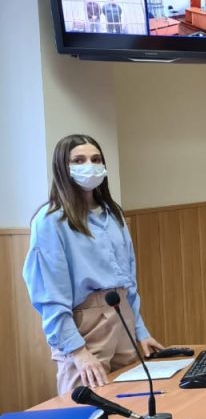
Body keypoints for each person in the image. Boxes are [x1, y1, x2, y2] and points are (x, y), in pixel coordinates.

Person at [23, 134, 163, 394]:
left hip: (122, 315)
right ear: (63, 168)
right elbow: (50, 296)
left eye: (96, 159)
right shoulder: (50, 221)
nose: (90, 165)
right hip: (85, 326)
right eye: (79, 160)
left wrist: (141, 331)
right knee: (88, 404)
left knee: (135, 400)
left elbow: (129, 282)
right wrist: (78, 352)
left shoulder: (113, 214)